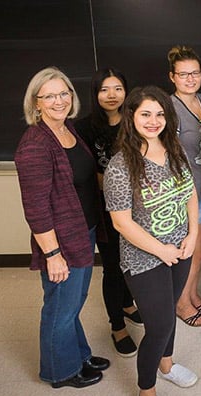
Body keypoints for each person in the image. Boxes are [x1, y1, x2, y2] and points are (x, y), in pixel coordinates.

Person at [104, 86, 200, 396]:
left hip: (181, 248)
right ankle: (146, 393)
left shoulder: (175, 149)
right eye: (145, 113)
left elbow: (190, 193)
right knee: (158, 324)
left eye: (160, 114)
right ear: (131, 116)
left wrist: (194, 233)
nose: (153, 120)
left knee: (169, 312)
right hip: (144, 256)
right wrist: (162, 250)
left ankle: (168, 365)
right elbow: (122, 223)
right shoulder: (121, 165)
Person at [15, 67, 110, 388]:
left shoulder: (69, 129)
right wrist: (52, 254)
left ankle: (79, 355)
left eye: (64, 93)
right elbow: (36, 209)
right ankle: (60, 371)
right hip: (61, 240)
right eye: (50, 96)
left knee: (74, 301)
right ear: (36, 103)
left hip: (84, 230)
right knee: (60, 306)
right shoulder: (34, 145)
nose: (59, 101)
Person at [75, 68, 142, 358]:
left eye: (117, 88)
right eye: (104, 89)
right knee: (113, 266)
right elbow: (84, 171)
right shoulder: (82, 128)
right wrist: (110, 181)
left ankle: (127, 305)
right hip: (104, 209)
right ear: (95, 93)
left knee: (133, 260)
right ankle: (117, 325)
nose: (112, 95)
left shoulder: (136, 122)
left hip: (138, 206)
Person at [167, 45, 201, 326]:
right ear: (172, 76)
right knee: (191, 251)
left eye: (195, 73)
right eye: (183, 74)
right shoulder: (169, 108)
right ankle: (180, 303)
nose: (190, 79)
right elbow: (166, 155)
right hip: (189, 194)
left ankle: (192, 294)